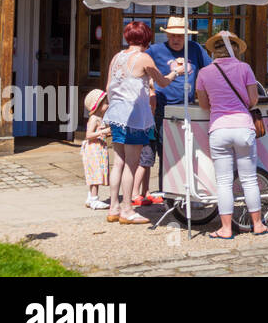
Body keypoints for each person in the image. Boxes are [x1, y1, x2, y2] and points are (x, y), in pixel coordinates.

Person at [105, 21, 185, 223]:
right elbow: (163, 82)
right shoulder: (143, 58)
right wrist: (177, 72)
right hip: (134, 116)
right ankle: (127, 210)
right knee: (132, 165)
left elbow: (108, 87)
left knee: (118, 163)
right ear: (146, 38)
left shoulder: (117, 57)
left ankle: (113, 207)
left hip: (116, 113)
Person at [194, 31, 268, 239]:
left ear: (213, 52)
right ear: (235, 49)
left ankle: (226, 229)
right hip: (244, 128)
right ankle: (257, 225)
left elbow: (203, 104)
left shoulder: (204, 73)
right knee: (249, 180)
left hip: (218, 129)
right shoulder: (244, 68)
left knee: (224, 182)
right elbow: (253, 100)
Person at [148, 16, 211, 193]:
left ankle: (187, 189)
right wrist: (151, 90)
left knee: (190, 152)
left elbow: (209, 70)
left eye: (180, 35)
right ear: (167, 35)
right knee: (165, 152)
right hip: (163, 108)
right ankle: (166, 191)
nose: (176, 39)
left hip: (190, 108)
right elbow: (141, 73)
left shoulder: (195, 48)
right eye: (172, 35)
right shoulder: (155, 50)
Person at [80, 89, 110, 210]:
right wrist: (103, 131)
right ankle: (94, 198)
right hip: (94, 150)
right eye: (105, 103)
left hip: (98, 148)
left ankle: (90, 197)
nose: (108, 105)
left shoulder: (99, 118)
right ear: (97, 105)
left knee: (97, 172)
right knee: (95, 173)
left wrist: (105, 133)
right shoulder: (94, 119)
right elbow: (88, 135)